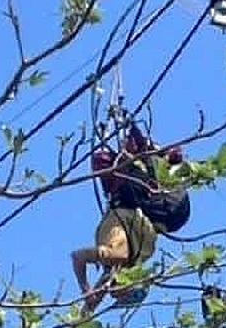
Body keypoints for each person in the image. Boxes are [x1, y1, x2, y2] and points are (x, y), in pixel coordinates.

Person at [72, 124, 184, 312]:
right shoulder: (118, 256)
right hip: (130, 199)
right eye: (119, 293)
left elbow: (101, 289)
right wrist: (85, 288)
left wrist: (86, 308)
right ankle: (141, 148)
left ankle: (145, 150)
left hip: (144, 205)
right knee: (110, 161)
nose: (113, 294)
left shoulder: (130, 260)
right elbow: (78, 256)